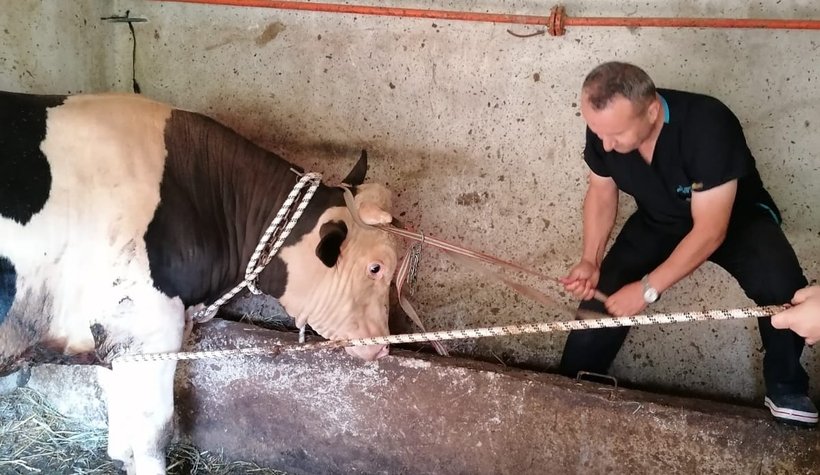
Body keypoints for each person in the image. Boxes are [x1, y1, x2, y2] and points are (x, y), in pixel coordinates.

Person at [559, 61, 816, 427]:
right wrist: (590, 259)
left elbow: (710, 230)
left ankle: (787, 386)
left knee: (781, 285)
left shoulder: (708, 124)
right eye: (597, 132)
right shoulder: (604, 128)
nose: (605, 144)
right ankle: (574, 380)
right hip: (659, 219)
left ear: (650, 112)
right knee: (603, 299)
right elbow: (601, 191)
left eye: (615, 135)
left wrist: (647, 289)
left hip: (735, 218)